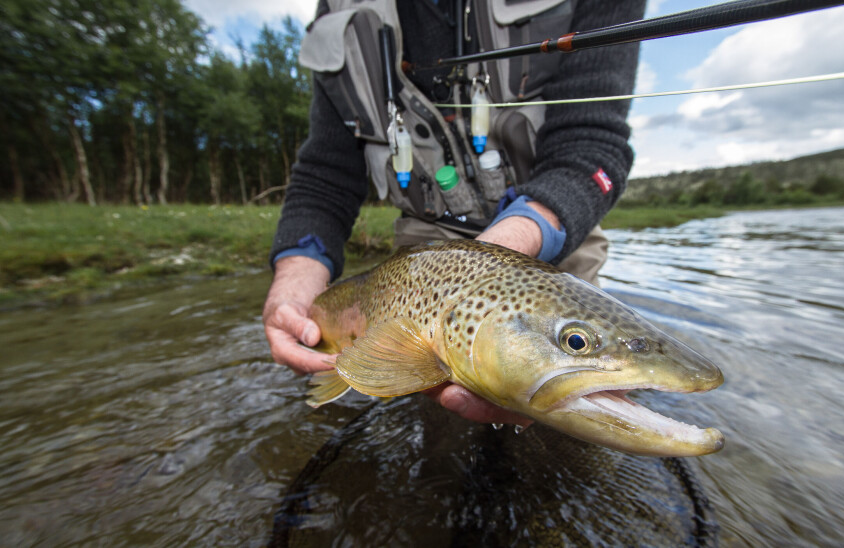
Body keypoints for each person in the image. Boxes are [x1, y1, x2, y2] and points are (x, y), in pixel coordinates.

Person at [263, 0, 645, 426]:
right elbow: (325, 175)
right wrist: (295, 281)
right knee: (442, 434)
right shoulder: (336, 8)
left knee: (572, 412)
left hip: (555, 236)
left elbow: (592, 143)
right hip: (414, 265)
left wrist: (492, 264)